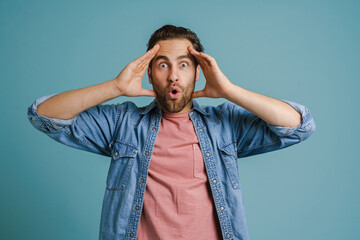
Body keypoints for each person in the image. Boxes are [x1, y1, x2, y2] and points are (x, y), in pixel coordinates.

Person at [27, 24, 316, 240]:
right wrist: (114, 87)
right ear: (150, 73)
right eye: (163, 65)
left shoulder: (223, 124)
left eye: (184, 65)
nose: (173, 75)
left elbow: (298, 126)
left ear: (197, 72)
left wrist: (229, 91)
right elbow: (43, 116)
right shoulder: (123, 123)